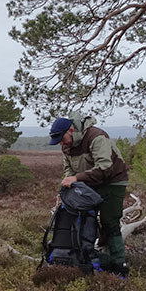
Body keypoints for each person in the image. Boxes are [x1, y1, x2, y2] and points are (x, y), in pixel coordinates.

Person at [49, 113, 130, 277]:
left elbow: (105, 168)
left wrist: (77, 178)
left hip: (112, 182)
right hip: (88, 184)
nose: (62, 143)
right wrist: (70, 179)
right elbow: (69, 168)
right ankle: (88, 258)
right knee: (82, 219)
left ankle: (119, 266)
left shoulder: (96, 137)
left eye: (62, 138)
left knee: (109, 221)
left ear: (71, 129)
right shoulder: (66, 145)